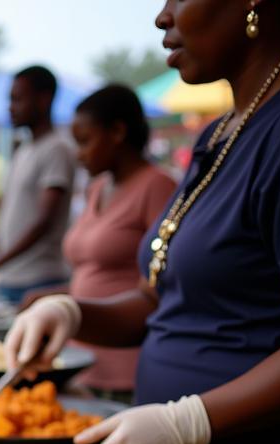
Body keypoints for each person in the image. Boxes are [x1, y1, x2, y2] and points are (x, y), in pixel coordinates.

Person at [4, 0, 280, 444]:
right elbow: (163, 299)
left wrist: (191, 420)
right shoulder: (220, 134)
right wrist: (71, 311)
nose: (162, 17)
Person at [25, 85, 175, 399]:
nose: (78, 154)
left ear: (118, 132)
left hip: (126, 367)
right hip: (81, 360)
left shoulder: (157, 188)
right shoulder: (97, 189)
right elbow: (98, 274)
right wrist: (56, 298)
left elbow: (160, 287)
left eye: (85, 142)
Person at [0, 66, 76, 306]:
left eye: (18, 99)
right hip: (10, 280)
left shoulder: (57, 149)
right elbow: (8, 227)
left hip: (39, 280)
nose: (11, 107)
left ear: (44, 100)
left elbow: (43, 222)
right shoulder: (24, 151)